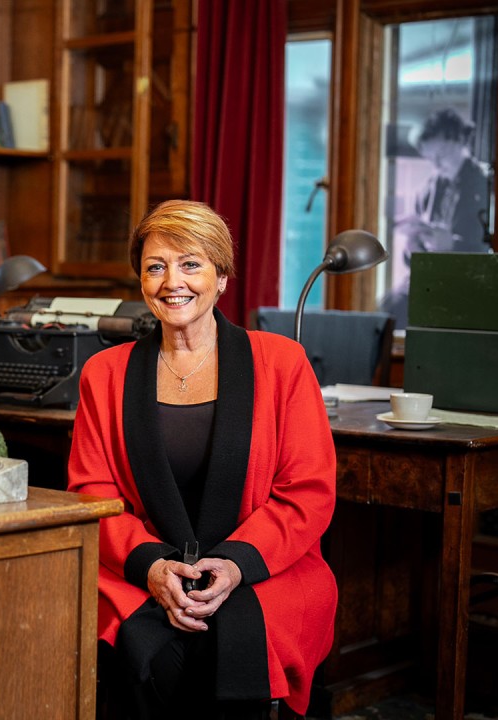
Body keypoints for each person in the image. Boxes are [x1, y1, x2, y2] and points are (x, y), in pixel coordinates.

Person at [67, 200, 337, 719]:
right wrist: (152, 567)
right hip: (143, 567)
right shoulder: (104, 373)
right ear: (142, 281)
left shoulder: (283, 363)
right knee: (150, 655)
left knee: (228, 654)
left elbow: (308, 492)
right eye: (156, 267)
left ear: (222, 277)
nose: (173, 282)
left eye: (190, 263)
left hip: (264, 568)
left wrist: (234, 565)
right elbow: (91, 494)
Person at [382, 107, 493, 327]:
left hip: (465, 285)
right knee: (386, 310)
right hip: (430, 280)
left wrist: (453, 244)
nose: (436, 165)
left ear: (460, 141)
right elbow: (413, 257)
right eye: (430, 158)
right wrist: (412, 248)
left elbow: (495, 251)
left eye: (441, 155)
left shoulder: (485, 183)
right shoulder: (428, 189)